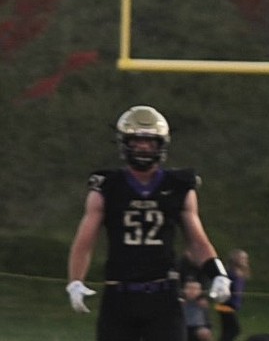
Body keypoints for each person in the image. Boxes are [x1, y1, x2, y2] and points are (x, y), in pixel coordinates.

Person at [67, 105, 232, 341]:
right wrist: (75, 281)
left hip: (163, 294)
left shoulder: (178, 186)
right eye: (136, 141)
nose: (143, 147)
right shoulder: (106, 188)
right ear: (125, 143)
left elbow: (197, 241)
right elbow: (84, 242)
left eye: (150, 141)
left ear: (161, 145)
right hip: (119, 294)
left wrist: (218, 273)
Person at [216, 249, 251, 341]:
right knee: (234, 330)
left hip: (232, 305)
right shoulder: (230, 273)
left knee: (228, 330)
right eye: (243, 258)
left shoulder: (239, 274)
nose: (245, 260)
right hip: (226, 305)